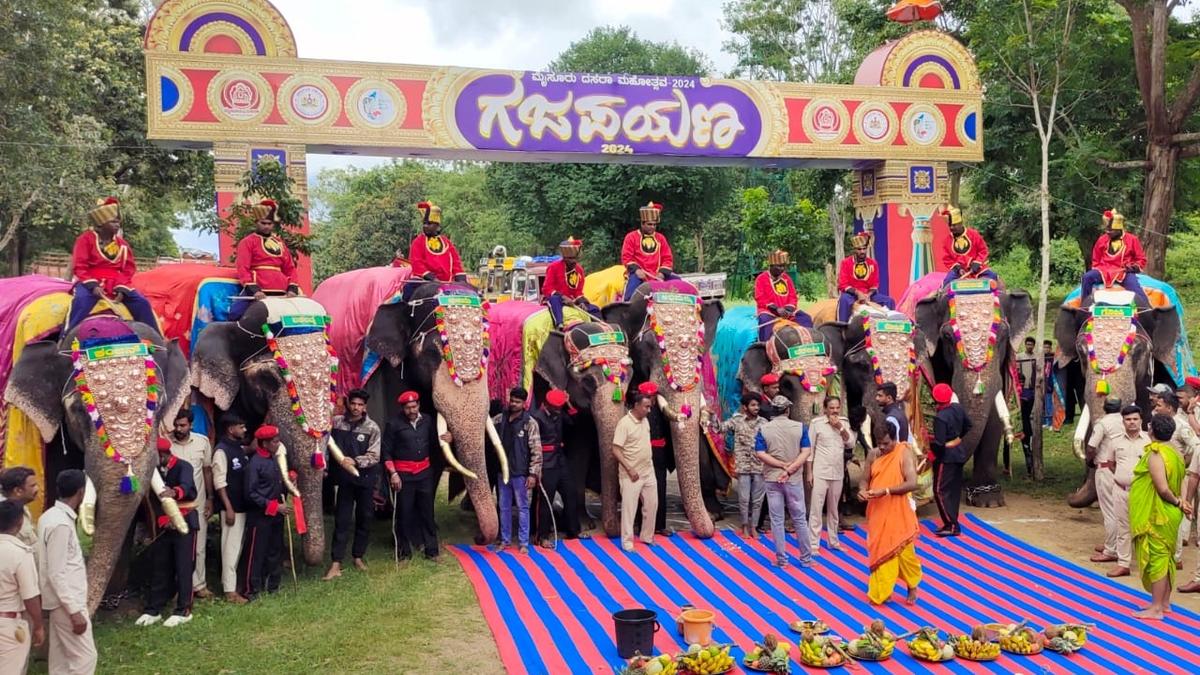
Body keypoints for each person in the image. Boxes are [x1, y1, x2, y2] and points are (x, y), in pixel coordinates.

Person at [1130, 414, 1192, 620]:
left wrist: (1177, 502)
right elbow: (1183, 480)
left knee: (1158, 558)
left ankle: (1156, 608)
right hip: (1170, 512)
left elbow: (1162, 488)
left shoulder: (1156, 454)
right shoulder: (1175, 453)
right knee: (1167, 558)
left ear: (1151, 431)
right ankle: (1164, 603)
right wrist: (1183, 502)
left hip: (1158, 514)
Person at [67, 197, 158, 331]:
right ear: (102, 223)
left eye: (118, 222)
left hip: (116, 284)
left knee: (142, 303)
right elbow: (80, 266)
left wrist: (122, 288)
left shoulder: (123, 245)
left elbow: (128, 269)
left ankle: (156, 341)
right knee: (81, 302)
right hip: (89, 282)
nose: (117, 225)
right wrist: (93, 286)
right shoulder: (85, 239)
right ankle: (66, 338)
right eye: (113, 221)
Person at [38, 469, 97, 674]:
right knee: (86, 658)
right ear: (81, 493)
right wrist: (74, 612)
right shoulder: (60, 524)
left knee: (61, 659)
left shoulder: (49, 516)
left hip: (59, 601)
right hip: (67, 603)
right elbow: (56, 572)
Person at [136, 438, 199, 627]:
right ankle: (154, 609)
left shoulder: (183, 466)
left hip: (184, 523)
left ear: (162, 455)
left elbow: (188, 488)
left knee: (184, 567)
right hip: (163, 524)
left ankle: (183, 610)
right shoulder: (152, 472)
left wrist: (175, 492)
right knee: (160, 567)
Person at [860, 424, 921, 605]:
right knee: (880, 548)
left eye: (886, 444)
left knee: (903, 552)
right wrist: (862, 491)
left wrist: (885, 491)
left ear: (894, 439)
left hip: (898, 511)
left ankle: (912, 585)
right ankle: (883, 591)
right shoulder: (873, 454)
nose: (883, 448)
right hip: (877, 510)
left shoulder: (904, 453)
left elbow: (912, 483)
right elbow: (864, 480)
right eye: (879, 444)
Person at [323, 389, 382, 580]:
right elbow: (325, 443)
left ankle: (358, 556)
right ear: (348, 404)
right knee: (342, 519)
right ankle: (336, 562)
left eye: (360, 405)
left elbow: (374, 456)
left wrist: (356, 461)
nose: (356, 408)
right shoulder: (337, 423)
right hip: (345, 481)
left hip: (365, 480)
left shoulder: (372, 427)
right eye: (353, 404)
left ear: (365, 407)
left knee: (364, 518)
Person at [384, 391, 448, 561]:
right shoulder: (393, 424)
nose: (411, 410)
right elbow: (386, 453)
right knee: (404, 513)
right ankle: (404, 553)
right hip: (403, 476)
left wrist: (449, 438)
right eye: (407, 407)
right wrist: (393, 474)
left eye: (414, 406)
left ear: (418, 405)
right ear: (402, 408)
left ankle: (432, 551)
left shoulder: (427, 421)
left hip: (425, 474)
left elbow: (436, 442)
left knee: (427, 513)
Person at [755, 396, 813, 568]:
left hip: (773, 478)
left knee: (777, 520)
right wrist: (790, 469)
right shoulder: (800, 427)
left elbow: (760, 453)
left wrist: (780, 465)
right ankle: (806, 559)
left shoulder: (763, 429)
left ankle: (781, 559)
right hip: (793, 479)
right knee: (800, 519)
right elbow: (806, 452)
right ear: (788, 410)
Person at [168, 409, 213, 600]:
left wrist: (210, 498)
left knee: (199, 545)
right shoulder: (167, 444)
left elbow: (207, 471)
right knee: (175, 548)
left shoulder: (202, 442)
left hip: (197, 502)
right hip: (173, 504)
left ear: (191, 425)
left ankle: (199, 585)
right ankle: (178, 587)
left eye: (183, 425)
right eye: (176, 425)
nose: (178, 429)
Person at [491, 388, 542, 554]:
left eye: (517, 402)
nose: (513, 404)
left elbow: (536, 450)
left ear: (524, 403)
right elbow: (485, 428)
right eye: (512, 400)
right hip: (503, 472)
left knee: (523, 508)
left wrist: (533, 474)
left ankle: (523, 543)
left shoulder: (530, 423)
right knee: (503, 507)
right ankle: (505, 540)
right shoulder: (500, 419)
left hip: (521, 473)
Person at [242, 426, 290, 600]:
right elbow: (250, 493)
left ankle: (273, 585)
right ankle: (250, 589)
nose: (278, 444)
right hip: (260, 516)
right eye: (275, 441)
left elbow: (277, 485)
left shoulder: (274, 459)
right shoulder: (254, 464)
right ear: (265, 443)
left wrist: (288, 481)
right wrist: (273, 506)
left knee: (275, 549)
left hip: (277, 514)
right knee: (256, 552)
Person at [531, 389, 584, 547]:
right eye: (556, 407)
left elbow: (574, 422)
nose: (558, 410)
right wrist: (535, 468)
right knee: (545, 500)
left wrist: (568, 403)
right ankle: (542, 536)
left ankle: (573, 530)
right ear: (547, 404)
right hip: (545, 463)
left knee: (571, 493)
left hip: (560, 460)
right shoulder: (535, 418)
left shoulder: (559, 413)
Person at [0, 500, 44, 675]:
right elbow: (30, 596)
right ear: (20, 522)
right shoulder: (20, 553)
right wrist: (39, 625)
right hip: (8, 626)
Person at [234, 199, 300, 314]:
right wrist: (254, 290)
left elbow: (290, 268)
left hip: (282, 290)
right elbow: (242, 268)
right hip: (258, 289)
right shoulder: (247, 242)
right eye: (263, 223)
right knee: (235, 314)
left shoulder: (279, 242)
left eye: (269, 224)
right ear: (256, 222)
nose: (266, 227)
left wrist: (292, 288)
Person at [807, 397, 855, 552]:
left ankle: (833, 542)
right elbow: (810, 450)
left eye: (837, 408)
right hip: (820, 471)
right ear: (825, 409)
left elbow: (851, 443)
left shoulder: (844, 422)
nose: (834, 411)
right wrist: (809, 473)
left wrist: (840, 428)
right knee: (816, 508)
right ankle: (813, 544)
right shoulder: (817, 424)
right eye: (831, 408)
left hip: (838, 472)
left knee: (834, 509)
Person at [210, 414, 250, 604]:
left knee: (238, 547)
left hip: (243, 507)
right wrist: (228, 508)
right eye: (241, 427)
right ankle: (229, 591)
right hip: (232, 508)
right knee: (230, 549)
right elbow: (219, 483)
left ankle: (234, 584)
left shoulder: (238, 449)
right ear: (230, 429)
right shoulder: (221, 451)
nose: (244, 430)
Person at [612, 391, 658, 552]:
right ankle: (627, 541)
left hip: (648, 470)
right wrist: (629, 469)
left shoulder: (645, 421)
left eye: (650, 407)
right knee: (629, 508)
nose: (648, 410)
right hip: (631, 474)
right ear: (636, 405)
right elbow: (616, 449)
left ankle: (647, 536)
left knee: (652, 504)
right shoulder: (624, 423)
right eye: (646, 407)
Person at [717, 395, 766, 539]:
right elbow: (719, 428)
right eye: (752, 405)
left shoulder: (764, 423)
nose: (756, 408)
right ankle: (744, 525)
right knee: (744, 498)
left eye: (757, 405)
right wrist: (712, 416)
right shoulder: (737, 421)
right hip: (743, 466)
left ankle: (754, 526)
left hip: (759, 465)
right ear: (745, 407)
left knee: (757, 500)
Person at [1088, 398, 1128, 571]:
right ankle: (1116, 545)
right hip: (1121, 467)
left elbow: (1091, 446)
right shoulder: (1126, 421)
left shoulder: (1102, 423)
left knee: (1109, 511)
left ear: (1104, 408)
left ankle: (1111, 549)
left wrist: (1089, 461)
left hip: (1105, 468)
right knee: (1120, 509)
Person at [635, 382, 676, 538]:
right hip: (644, 454)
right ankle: (642, 525)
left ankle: (660, 525)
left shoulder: (661, 408)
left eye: (653, 396)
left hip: (659, 454)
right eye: (649, 397)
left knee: (660, 489)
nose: (652, 400)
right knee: (642, 491)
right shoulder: (637, 413)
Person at [403, 201, 467, 302]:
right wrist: (433, 280)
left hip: (448, 284)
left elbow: (456, 263)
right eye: (424, 223)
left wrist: (462, 281)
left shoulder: (446, 242)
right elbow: (417, 263)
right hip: (424, 282)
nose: (425, 226)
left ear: (437, 225)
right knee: (408, 293)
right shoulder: (417, 242)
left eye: (429, 224)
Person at [1081, 209, 1148, 305]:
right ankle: (1084, 308)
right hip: (1103, 270)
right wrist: (1098, 269)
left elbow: (1141, 259)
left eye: (1111, 230)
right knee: (1087, 277)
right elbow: (1096, 259)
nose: (1108, 232)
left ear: (1119, 229)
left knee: (1135, 288)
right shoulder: (1102, 239)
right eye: (1106, 230)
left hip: (1124, 271)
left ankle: (1147, 311)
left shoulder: (1132, 239)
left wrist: (1134, 267)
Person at [930, 384, 972, 537]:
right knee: (953, 491)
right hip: (959, 453)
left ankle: (952, 524)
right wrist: (957, 438)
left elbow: (940, 444)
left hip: (946, 457)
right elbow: (969, 425)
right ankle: (952, 521)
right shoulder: (958, 409)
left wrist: (931, 449)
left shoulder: (940, 417)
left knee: (939, 490)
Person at [621, 201, 678, 300]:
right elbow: (626, 257)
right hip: (639, 274)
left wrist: (661, 273)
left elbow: (667, 258)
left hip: (657, 274)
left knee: (679, 283)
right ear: (642, 224)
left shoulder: (661, 238)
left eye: (654, 225)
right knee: (631, 294)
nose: (652, 227)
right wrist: (637, 270)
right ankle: (627, 307)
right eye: (649, 224)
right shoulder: (631, 237)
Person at [542, 237, 601, 328]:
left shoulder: (579, 270)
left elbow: (578, 292)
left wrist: (581, 301)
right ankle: (559, 324)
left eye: (575, 258)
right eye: (570, 258)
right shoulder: (553, 267)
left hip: (572, 301)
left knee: (595, 308)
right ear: (564, 258)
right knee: (554, 299)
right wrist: (563, 297)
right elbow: (547, 288)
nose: (573, 261)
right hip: (557, 299)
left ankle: (599, 326)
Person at [754, 250, 813, 342]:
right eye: (780, 266)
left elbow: (793, 297)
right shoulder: (761, 278)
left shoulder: (786, 278)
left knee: (806, 318)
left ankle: (809, 343)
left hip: (787, 312)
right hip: (769, 311)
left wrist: (788, 309)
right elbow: (760, 298)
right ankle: (764, 346)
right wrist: (776, 309)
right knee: (764, 320)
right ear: (771, 266)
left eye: (784, 266)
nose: (783, 269)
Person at [836, 233, 895, 322]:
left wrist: (868, 295)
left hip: (868, 294)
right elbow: (843, 284)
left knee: (889, 301)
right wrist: (858, 293)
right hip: (851, 295)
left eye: (864, 249)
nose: (862, 251)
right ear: (854, 250)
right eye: (859, 249)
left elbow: (875, 284)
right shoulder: (846, 263)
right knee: (844, 300)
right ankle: (842, 328)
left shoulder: (872, 263)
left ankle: (888, 328)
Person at [939, 205, 996, 286]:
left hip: (976, 268)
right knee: (947, 283)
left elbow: (983, 250)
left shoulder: (974, 234)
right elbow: (947, 258)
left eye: (954, 225)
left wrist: (977, 263)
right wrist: (958, 268)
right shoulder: (947, 240)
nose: (952, 228)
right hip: (959, 271)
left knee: (991, 277)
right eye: (950, 226)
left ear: (961, 223)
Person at [0, 467, 38, 552]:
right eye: (32, 486)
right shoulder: (5, 516)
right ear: (18, 491)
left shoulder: (23, 509)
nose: (37, 489)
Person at [1016, 337, 1038, 470]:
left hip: (1031, 388)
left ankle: (1028, 448)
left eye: (1031, 344)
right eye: (1027, 343)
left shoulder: (1037, 357)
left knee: (1027, 416)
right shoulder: (1020, 357)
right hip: (1021, 388)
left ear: (1034, 345)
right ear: (1025, 344)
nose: (1029, 346)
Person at [1042, 340, 1056, 428]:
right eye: (1044, 347)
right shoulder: (1040, 357)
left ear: (1050, 348)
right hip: (1041, 383)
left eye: (1048, 347)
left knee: (1049, 403)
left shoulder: (1052, 357)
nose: (1046, 349)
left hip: (1049, 383)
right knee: (1042, 404)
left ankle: (1050, 422)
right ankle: (1044, 422)